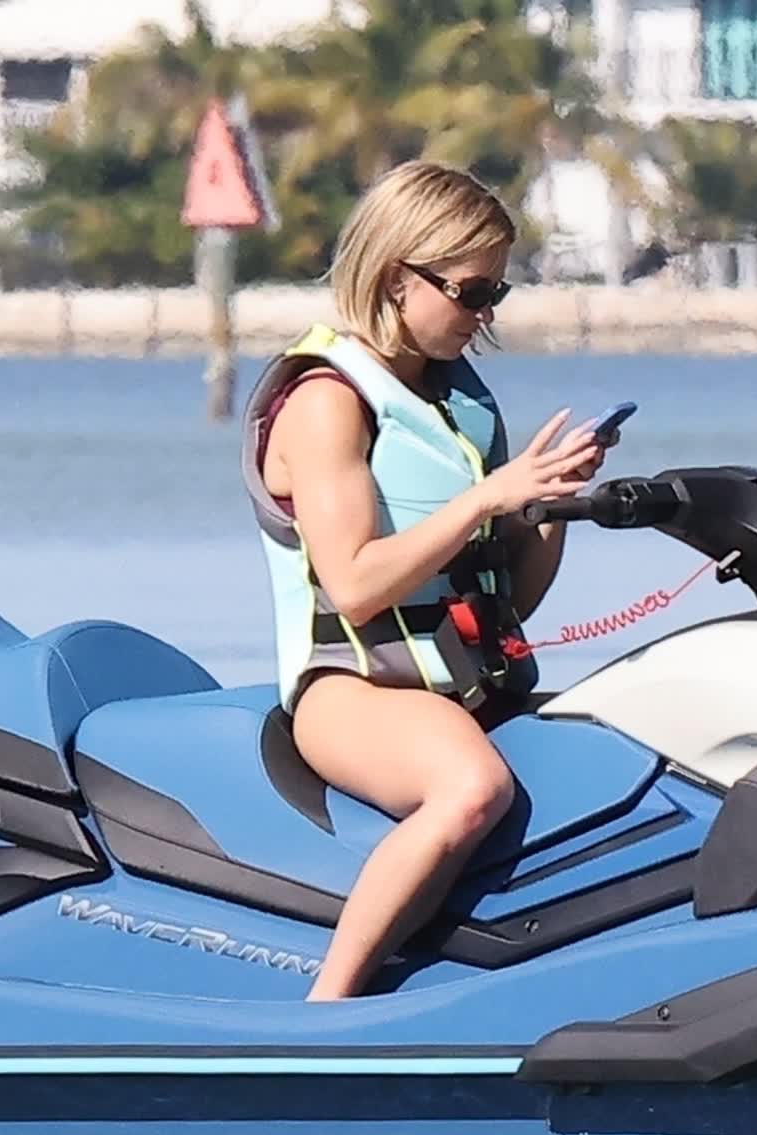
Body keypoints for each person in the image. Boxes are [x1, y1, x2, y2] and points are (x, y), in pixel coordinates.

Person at [242, 160, 612, 1000]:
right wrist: (489, 495)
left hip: (462, 683)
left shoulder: (454, 407)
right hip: (350, 691)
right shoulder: (328, 402)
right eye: (471, 292)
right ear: (395, 277)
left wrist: (549, 505)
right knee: (470, 788)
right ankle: (326, 1011)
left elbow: (511, 602)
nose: (485, 316)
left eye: (497, 293)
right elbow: (354, 585)